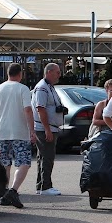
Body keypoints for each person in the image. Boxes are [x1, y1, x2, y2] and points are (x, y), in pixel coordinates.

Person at [0, 63, 36, 209]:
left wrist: (1, 119)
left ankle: (5, 192)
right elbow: (28, 110)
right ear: (20, 74)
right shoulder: (23, 89)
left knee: (5, 163)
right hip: (19, 131)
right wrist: (32, 130)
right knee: (24, 162)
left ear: (8, 73)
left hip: (1, 131)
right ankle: (13, 190)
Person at [32, 62, 64, 196]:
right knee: (47, 157)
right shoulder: (42, 88)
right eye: (57, 72)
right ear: (49, 72)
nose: (59, 75)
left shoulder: (49, 87)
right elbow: (41, 109)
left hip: (50, 127)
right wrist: (47, 130)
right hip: (45, 128)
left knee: (43, 157)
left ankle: (41, 186)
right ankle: (46, 186)